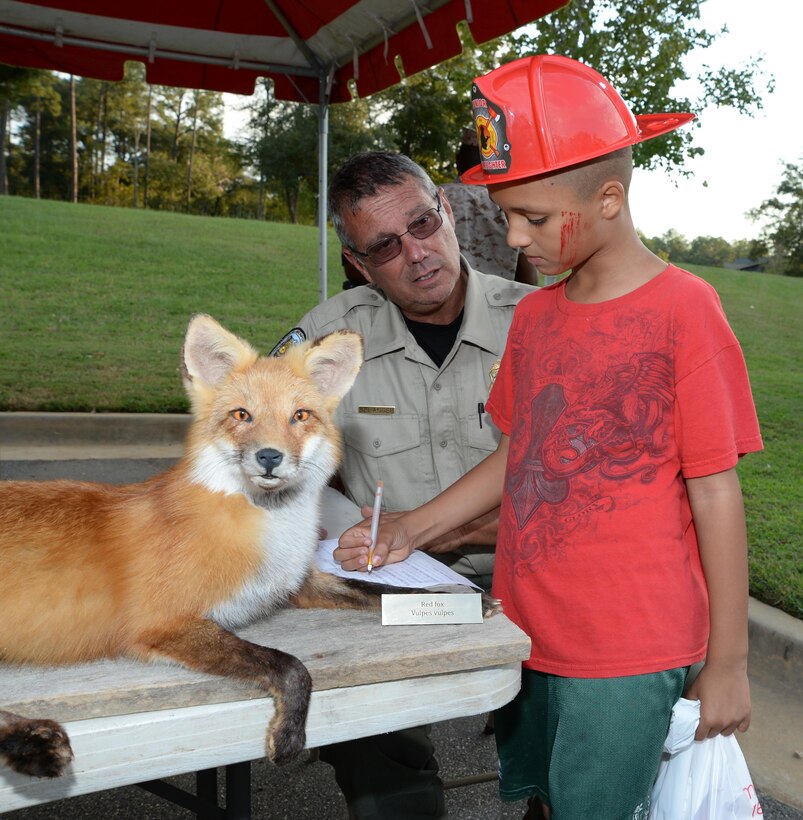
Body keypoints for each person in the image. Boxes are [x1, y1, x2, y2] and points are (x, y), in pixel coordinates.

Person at [337, 56, 764, 820]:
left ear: (607, 198)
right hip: (526, 628)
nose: (510, 235)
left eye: (531, 217)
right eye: (503, 214)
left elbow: (715, 491)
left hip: (629, 648)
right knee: (541, 798)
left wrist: (727, 663)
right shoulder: (533, 317)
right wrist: (410, 527)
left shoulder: (684, 310)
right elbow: (518, 453)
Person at [291, 150, 536, 820]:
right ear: (359, 265)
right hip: (398, 591)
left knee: (578, 727)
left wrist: (433, 532)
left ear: (449, 211)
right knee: (349, 703)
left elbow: (578, 502)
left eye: (424, 224)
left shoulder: (540, 322)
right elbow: (268, 455)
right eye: (386, 246)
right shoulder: (330, 337)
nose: (418, 254)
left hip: (533, 576)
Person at [442, 128, 539, 284]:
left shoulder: (434, 200)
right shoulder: (508, 204)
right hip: (499, 303)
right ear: (492, 163)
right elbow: (528, 279)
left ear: (458, 159)